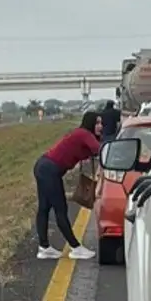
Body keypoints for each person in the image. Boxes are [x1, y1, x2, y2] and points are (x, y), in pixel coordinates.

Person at [33, 111, 102, 260]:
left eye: (101, 123)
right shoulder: (84, 134)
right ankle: (75, 247)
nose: (100, 126)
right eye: (97, 123)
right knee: (60, 209)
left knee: (44, 207)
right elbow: (101, 150)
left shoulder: (81, 134)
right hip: (50, 169)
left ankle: (44, 247)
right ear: (90, 123)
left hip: (43, 166)